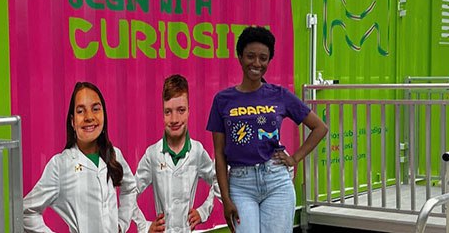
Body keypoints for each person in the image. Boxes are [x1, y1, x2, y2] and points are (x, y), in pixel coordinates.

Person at [206, 27, 328, 233]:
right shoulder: (222, 100)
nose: (257, 63)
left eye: (263, 58)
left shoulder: (279, 95)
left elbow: (319, 127)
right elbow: (219, 154)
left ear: (269, 61)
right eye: (250, 56)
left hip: (276, 182)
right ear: (240, 57)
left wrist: (294, 158)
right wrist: (226, 199)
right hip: (241, 184)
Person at [23, 81, 138, 232]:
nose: (89, 117)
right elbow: (27, 212)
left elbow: (129, 188)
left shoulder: (114, 154)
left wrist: (121, 224)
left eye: (96, 109)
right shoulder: (60, 165)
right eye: (80, 111)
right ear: (72, 121)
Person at [133, 74, 220, 233]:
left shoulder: (197, 152)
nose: (174, 119)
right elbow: (129, 192)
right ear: (162, 113)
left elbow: (218, 180)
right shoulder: (153, 154)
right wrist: (144, 227)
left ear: (188, 111)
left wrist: (203, 211)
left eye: (181, 110)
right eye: (168, 112)